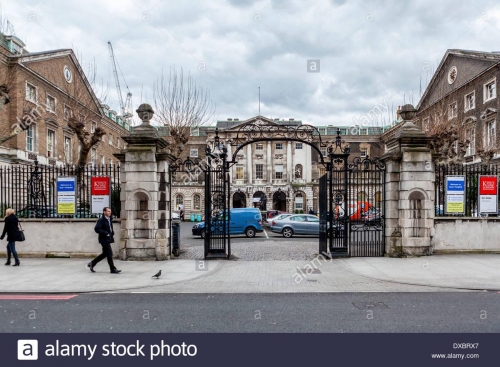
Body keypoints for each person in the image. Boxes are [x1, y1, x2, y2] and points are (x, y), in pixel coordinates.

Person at [87, 207, 121, 274]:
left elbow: (110, 227)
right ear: (104, 212)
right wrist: (105, 233)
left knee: (105, 253)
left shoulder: (109, 219)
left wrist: (112, 232)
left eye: (110, 211)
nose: (110, 213)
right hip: (104, 239)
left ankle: (92, 263)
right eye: (108, 211)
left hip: (108, 238)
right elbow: (97, 229)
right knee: (109, 254)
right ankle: (112, 269)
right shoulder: (101, 220)